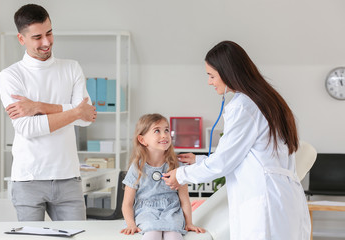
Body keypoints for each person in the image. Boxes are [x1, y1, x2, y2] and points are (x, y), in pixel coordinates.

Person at [163, 41, 311, 239]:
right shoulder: (269, 100)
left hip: (264, 200)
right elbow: (253, 153)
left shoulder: (243, 106)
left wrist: (180, 176)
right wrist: (199, 161)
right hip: (284, 198)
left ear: (228, 73)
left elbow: (224, 162)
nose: (209, 82)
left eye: (212, 76)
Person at [0, 4, 97, 221]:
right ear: (21, 39)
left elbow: (88, 118)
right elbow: (27, 128)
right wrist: (75, 111)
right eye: (37, 37)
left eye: (49, 33)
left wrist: (39, 107)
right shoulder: (10, 76)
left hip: (68, 177)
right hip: (28, 179)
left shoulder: (71, 68)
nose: (46, 42)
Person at [121, 114, 205, 240]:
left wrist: (189, 223)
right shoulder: (137, 168)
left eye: (166, 130)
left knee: (174, 235)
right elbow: (127, 203)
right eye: (157, 131)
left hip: (172, 211)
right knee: (152, 234)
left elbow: (184, 199)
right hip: (146, 211)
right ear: (142, 140)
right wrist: (131, 224)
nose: (164, 135)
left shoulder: (176, 165)